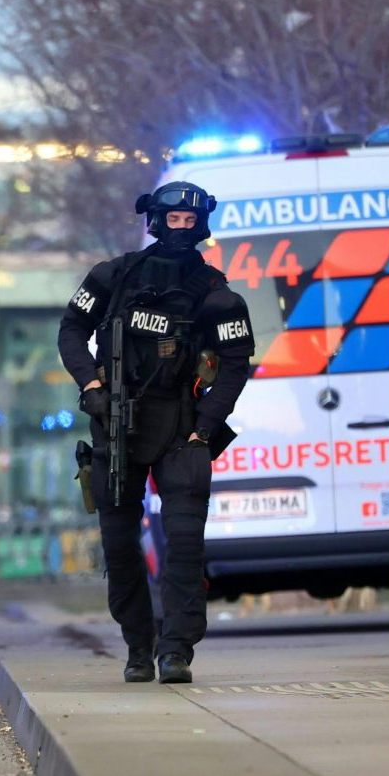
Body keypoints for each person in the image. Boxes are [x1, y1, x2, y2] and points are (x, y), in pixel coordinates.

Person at [60, 181, 254, 684]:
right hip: (115, 424)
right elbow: (71, 331)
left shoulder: (216, 294)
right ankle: (137, 646)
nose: (181, 230)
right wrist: (91, 384)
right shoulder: (113, 276)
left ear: (202, 224)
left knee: (185, 542)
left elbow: (236, 364)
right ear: (156, 220)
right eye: (174, 221)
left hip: (181, 428)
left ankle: (177, 650)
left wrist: (206, 426)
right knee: (120, 546)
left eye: (191, 222)